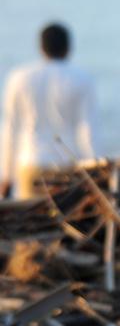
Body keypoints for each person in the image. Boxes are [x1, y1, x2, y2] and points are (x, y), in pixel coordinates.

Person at [1, 23, 96, 199]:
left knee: (28, 221)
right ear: (68, 48)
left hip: (31, 162)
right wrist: (94, 169)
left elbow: (10, 128)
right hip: (66, 166)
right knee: (66, 221)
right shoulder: (82, 79)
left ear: (41, 47)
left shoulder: (19, 77)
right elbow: (87, 130)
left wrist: (6, 175)